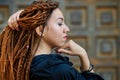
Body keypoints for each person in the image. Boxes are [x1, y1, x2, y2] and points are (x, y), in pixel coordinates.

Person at [0, 0, 104, 80]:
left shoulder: (18, 65)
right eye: (60, 23)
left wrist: (25, 17)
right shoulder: (59, 71)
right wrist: (83, 54)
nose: (67, 29)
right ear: (40, 30)